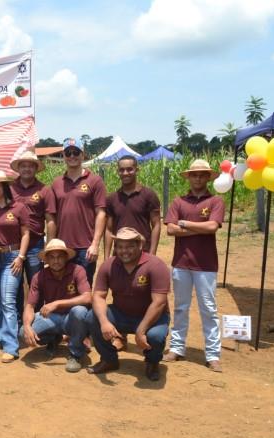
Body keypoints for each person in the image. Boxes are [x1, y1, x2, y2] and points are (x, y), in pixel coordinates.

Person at [163, 159, 225, 372]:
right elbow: (170, 230)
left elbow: (212, 227)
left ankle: (213, 354)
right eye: (194, 175)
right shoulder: (179, 201)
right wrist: (199, 228)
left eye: (202, 175)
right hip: (181, 263)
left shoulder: (215, 201)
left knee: (208, 309)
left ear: (208, 177)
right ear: (189, 177)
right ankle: (177, 347)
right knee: (181, 307)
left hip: (206, 264)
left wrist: (185, 223)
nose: (198, 178)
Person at [86, 227, 171, 381]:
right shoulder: (109, 265)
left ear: (140, 245)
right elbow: (98, 296)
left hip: (152, 317)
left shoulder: (156, 265)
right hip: (121, 314)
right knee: (92, 317)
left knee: (156, 336)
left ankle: (152, 362)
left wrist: (141, 330)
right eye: (120, 247)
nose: (124, 251)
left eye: (130, 246)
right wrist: (104, 322)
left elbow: (159, 302)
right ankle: (109, 360)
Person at [20, 239, 93, 373]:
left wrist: (57, 303)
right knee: (22, 332)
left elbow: (88, 297)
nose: (56, 261)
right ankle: (54, 339)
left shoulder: (77, 270)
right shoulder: (39, 276)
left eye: (60, 257)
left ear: (66, 257)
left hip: (71, 318)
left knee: (80, 311)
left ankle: (75, 354)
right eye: (52, 257)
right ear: (46, 260)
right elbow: (30, 305)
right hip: (52, 318)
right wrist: (27, 326)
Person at [0, 170, 30, 362]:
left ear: (4, 186)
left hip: (12, 257)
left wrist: (21, 257)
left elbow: (26, 234)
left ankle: (10, 345)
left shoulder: (18, 207)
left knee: (8, 301)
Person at [51, 137, 106, 286]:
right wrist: (51, 244)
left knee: (84, 288)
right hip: (62, 247)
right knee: (62, 287)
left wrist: (95, 244)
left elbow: (101, 213)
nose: (72, 156)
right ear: (63, 156)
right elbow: (51, 217)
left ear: (83, 155)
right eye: (68, 153)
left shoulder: (95, 181)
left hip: (86, 247)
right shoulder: (56, 183)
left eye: (76, 152)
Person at [9, 150, 57, 315]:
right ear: (18, 168)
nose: (27, 169)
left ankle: (37, 320)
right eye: (23, 165)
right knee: (14, 285)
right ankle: (16, 321)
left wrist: (49, 248)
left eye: (31, 166)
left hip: (35, 245)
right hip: (13, 246)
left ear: (36, 168)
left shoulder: (44, 190)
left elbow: (50, 220)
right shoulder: (9, 188)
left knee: (36, 284)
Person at [104, 155, 161, 258]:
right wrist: (106, 257)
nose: (125, 173)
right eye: (122, 170)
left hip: (143, 252)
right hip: (120, 253)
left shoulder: (148, 195)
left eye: (129, 169)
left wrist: (152, 255)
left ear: (137, 170)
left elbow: (156, 225)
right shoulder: (112, 198)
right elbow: (108, 229)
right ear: (118, 172)